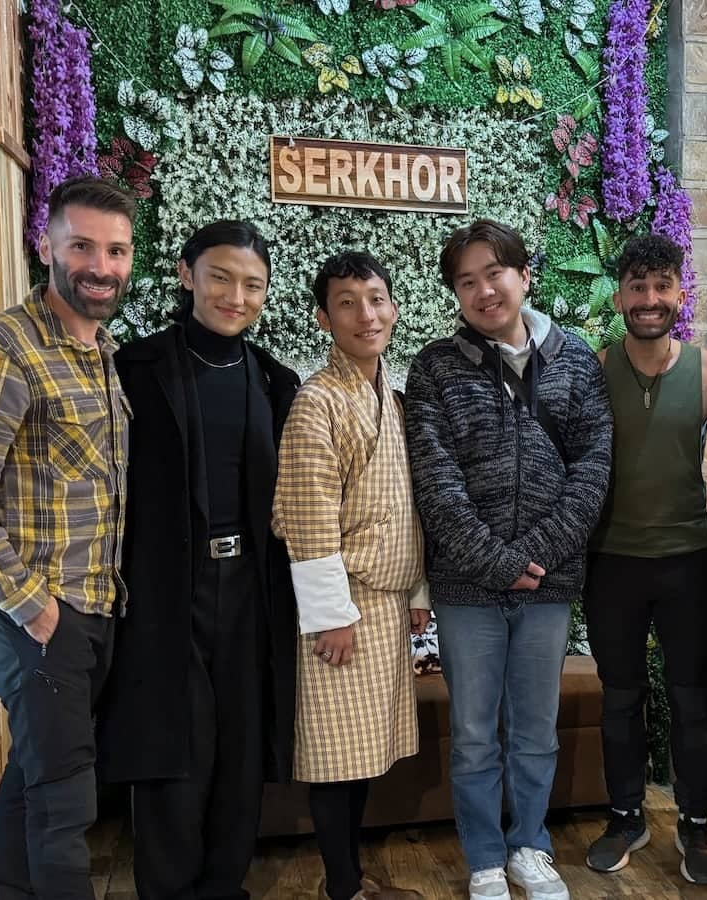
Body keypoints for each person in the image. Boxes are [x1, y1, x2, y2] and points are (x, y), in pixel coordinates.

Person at [0, 175, 135, 900]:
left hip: (92, 607)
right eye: (82, 246)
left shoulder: (102, 353)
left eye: (115, 250)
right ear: (46, 245)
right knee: (65, 805)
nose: (100, 266)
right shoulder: (0, 349)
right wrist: (30, 604)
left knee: (35, 780)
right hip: (41, 615)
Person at [405, 219, 613, 900]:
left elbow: (594, 467)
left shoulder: (577, 360)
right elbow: (436, 482)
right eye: (467, 280)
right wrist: (497, 562)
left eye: (495, 272)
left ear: (525, 276)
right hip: (468, 587)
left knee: (533, 730)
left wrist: (538, 557)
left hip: (549, 586)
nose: (483, 290)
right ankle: (485, 858)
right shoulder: (436, 367)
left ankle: (530, 845)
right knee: (471, 736)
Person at [95, 221, 301, 900]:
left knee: (241, 752)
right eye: (220, 276)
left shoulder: (274, 381)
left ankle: (225, 886)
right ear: (187, 275)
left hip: (250, 588)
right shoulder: (134, 370)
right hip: (164, 589)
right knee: (175, 752)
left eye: (251, 285)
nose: (234, 296)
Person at [271, 251, 432, 900]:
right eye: (347, 302)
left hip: (387, 603)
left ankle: (352, 880)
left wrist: (417, 591)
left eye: (375, 298)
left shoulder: (386, 395)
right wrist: (331, 615)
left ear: (392, 306)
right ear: (323, 318)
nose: (365, 314)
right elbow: (306, 518)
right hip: (344, 608)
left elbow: (405, 503)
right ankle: (344, 888)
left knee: (363, 755)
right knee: (338, 762)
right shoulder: (318, 401)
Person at [582, 234, 707, 885]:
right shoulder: (593, 368)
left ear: (680, 293)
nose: (649, 300)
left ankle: (696, 824)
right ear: (620, 296)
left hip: (688, 564)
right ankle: (626, 816)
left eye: (661, 286)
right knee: (620, 699)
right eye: (637, 288)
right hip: (612, 562)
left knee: (692, 701)